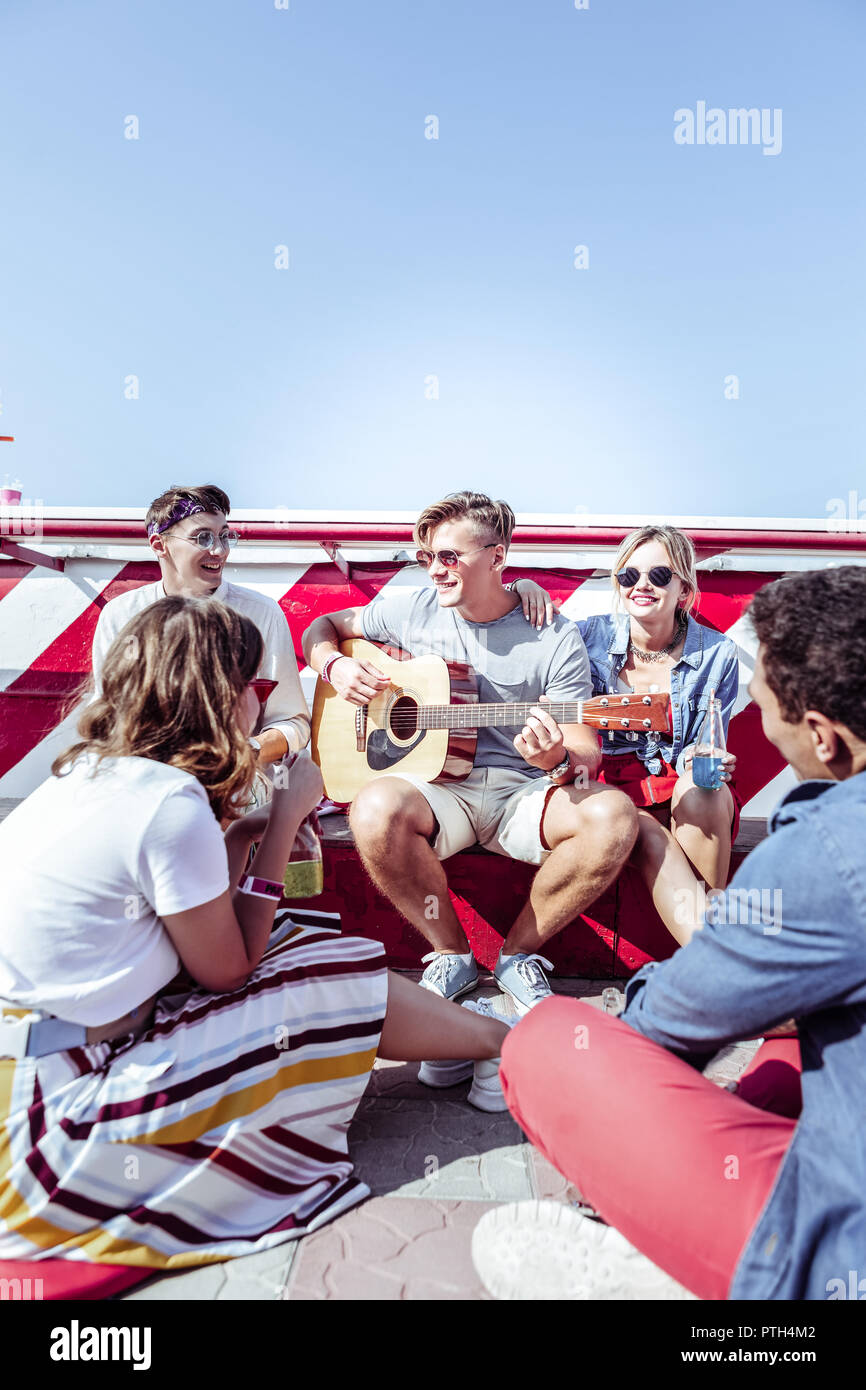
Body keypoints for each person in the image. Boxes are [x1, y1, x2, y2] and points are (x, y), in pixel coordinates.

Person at [0, 598, 511, 1269]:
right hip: (57, 1118)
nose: (258, 702)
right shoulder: (168, 805)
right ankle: (501, 1045)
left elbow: (192, 921)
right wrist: (283, 817)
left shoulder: (88, 775)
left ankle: (472, 1044)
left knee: (296, 941)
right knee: (319, 972)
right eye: (256, 686)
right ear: (219, 696)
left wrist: (243, 833)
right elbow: (228, 970)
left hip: (34, 1058)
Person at [472, 565, 866, 1302]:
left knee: (548, 1040)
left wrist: (726, 963)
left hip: (840, 1251)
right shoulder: (586, 636)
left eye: (768, 691)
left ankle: (686, 1268)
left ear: (823, 738)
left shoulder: (831, 849)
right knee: (790, 1030)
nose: (753, 696)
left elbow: (665, 1026)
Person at [302, 490, 638, 1017]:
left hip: (522, 791)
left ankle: (518, 955)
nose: (434, 570)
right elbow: (323, 628)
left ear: (497, 558)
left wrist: (554, 759)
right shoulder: (413, 609)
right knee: (372, 807)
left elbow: (584, 748)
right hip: (438, 787)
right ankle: (451, 954)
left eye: (449, 556)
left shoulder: (551, 633)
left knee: (613, 815)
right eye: (426, 557)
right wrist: (333, 667)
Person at [513, 527, 742, 945]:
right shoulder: (585, 636)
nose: (641, 586)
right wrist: (519, 586)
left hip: (675, 786)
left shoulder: (718, 653)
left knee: (706, 787)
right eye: (628, 576)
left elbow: (706, 740)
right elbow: (507, 628)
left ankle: (709, 957)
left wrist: (708, 758)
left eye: (658, 576)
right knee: (642, 828)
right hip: (597, 786)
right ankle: (715, 955)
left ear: (684, 588)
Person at [91, 483, 310, 766]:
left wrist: (237, 758)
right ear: (160, 545)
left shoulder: (262, 613)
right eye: (203, 538)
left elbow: (292, 722)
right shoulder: (120, 615)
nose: (219, 550)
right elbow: (107, 716)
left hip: (239, 800)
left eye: (224, 536)